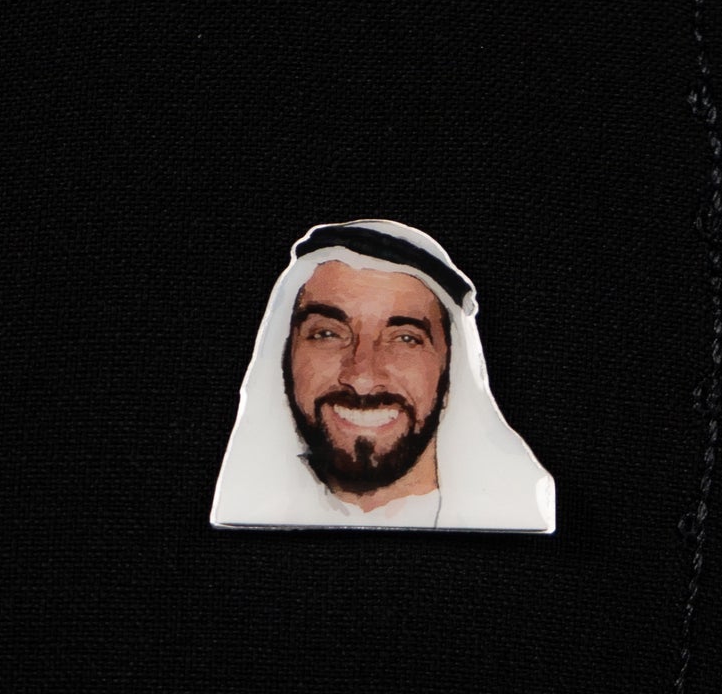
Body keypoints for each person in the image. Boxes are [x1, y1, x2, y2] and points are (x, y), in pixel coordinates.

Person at [210, 220, 556, 531]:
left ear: (451, 365)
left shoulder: (517, 510)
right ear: (285, 355)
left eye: (405, 339)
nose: (362, 378)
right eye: (328, 334)